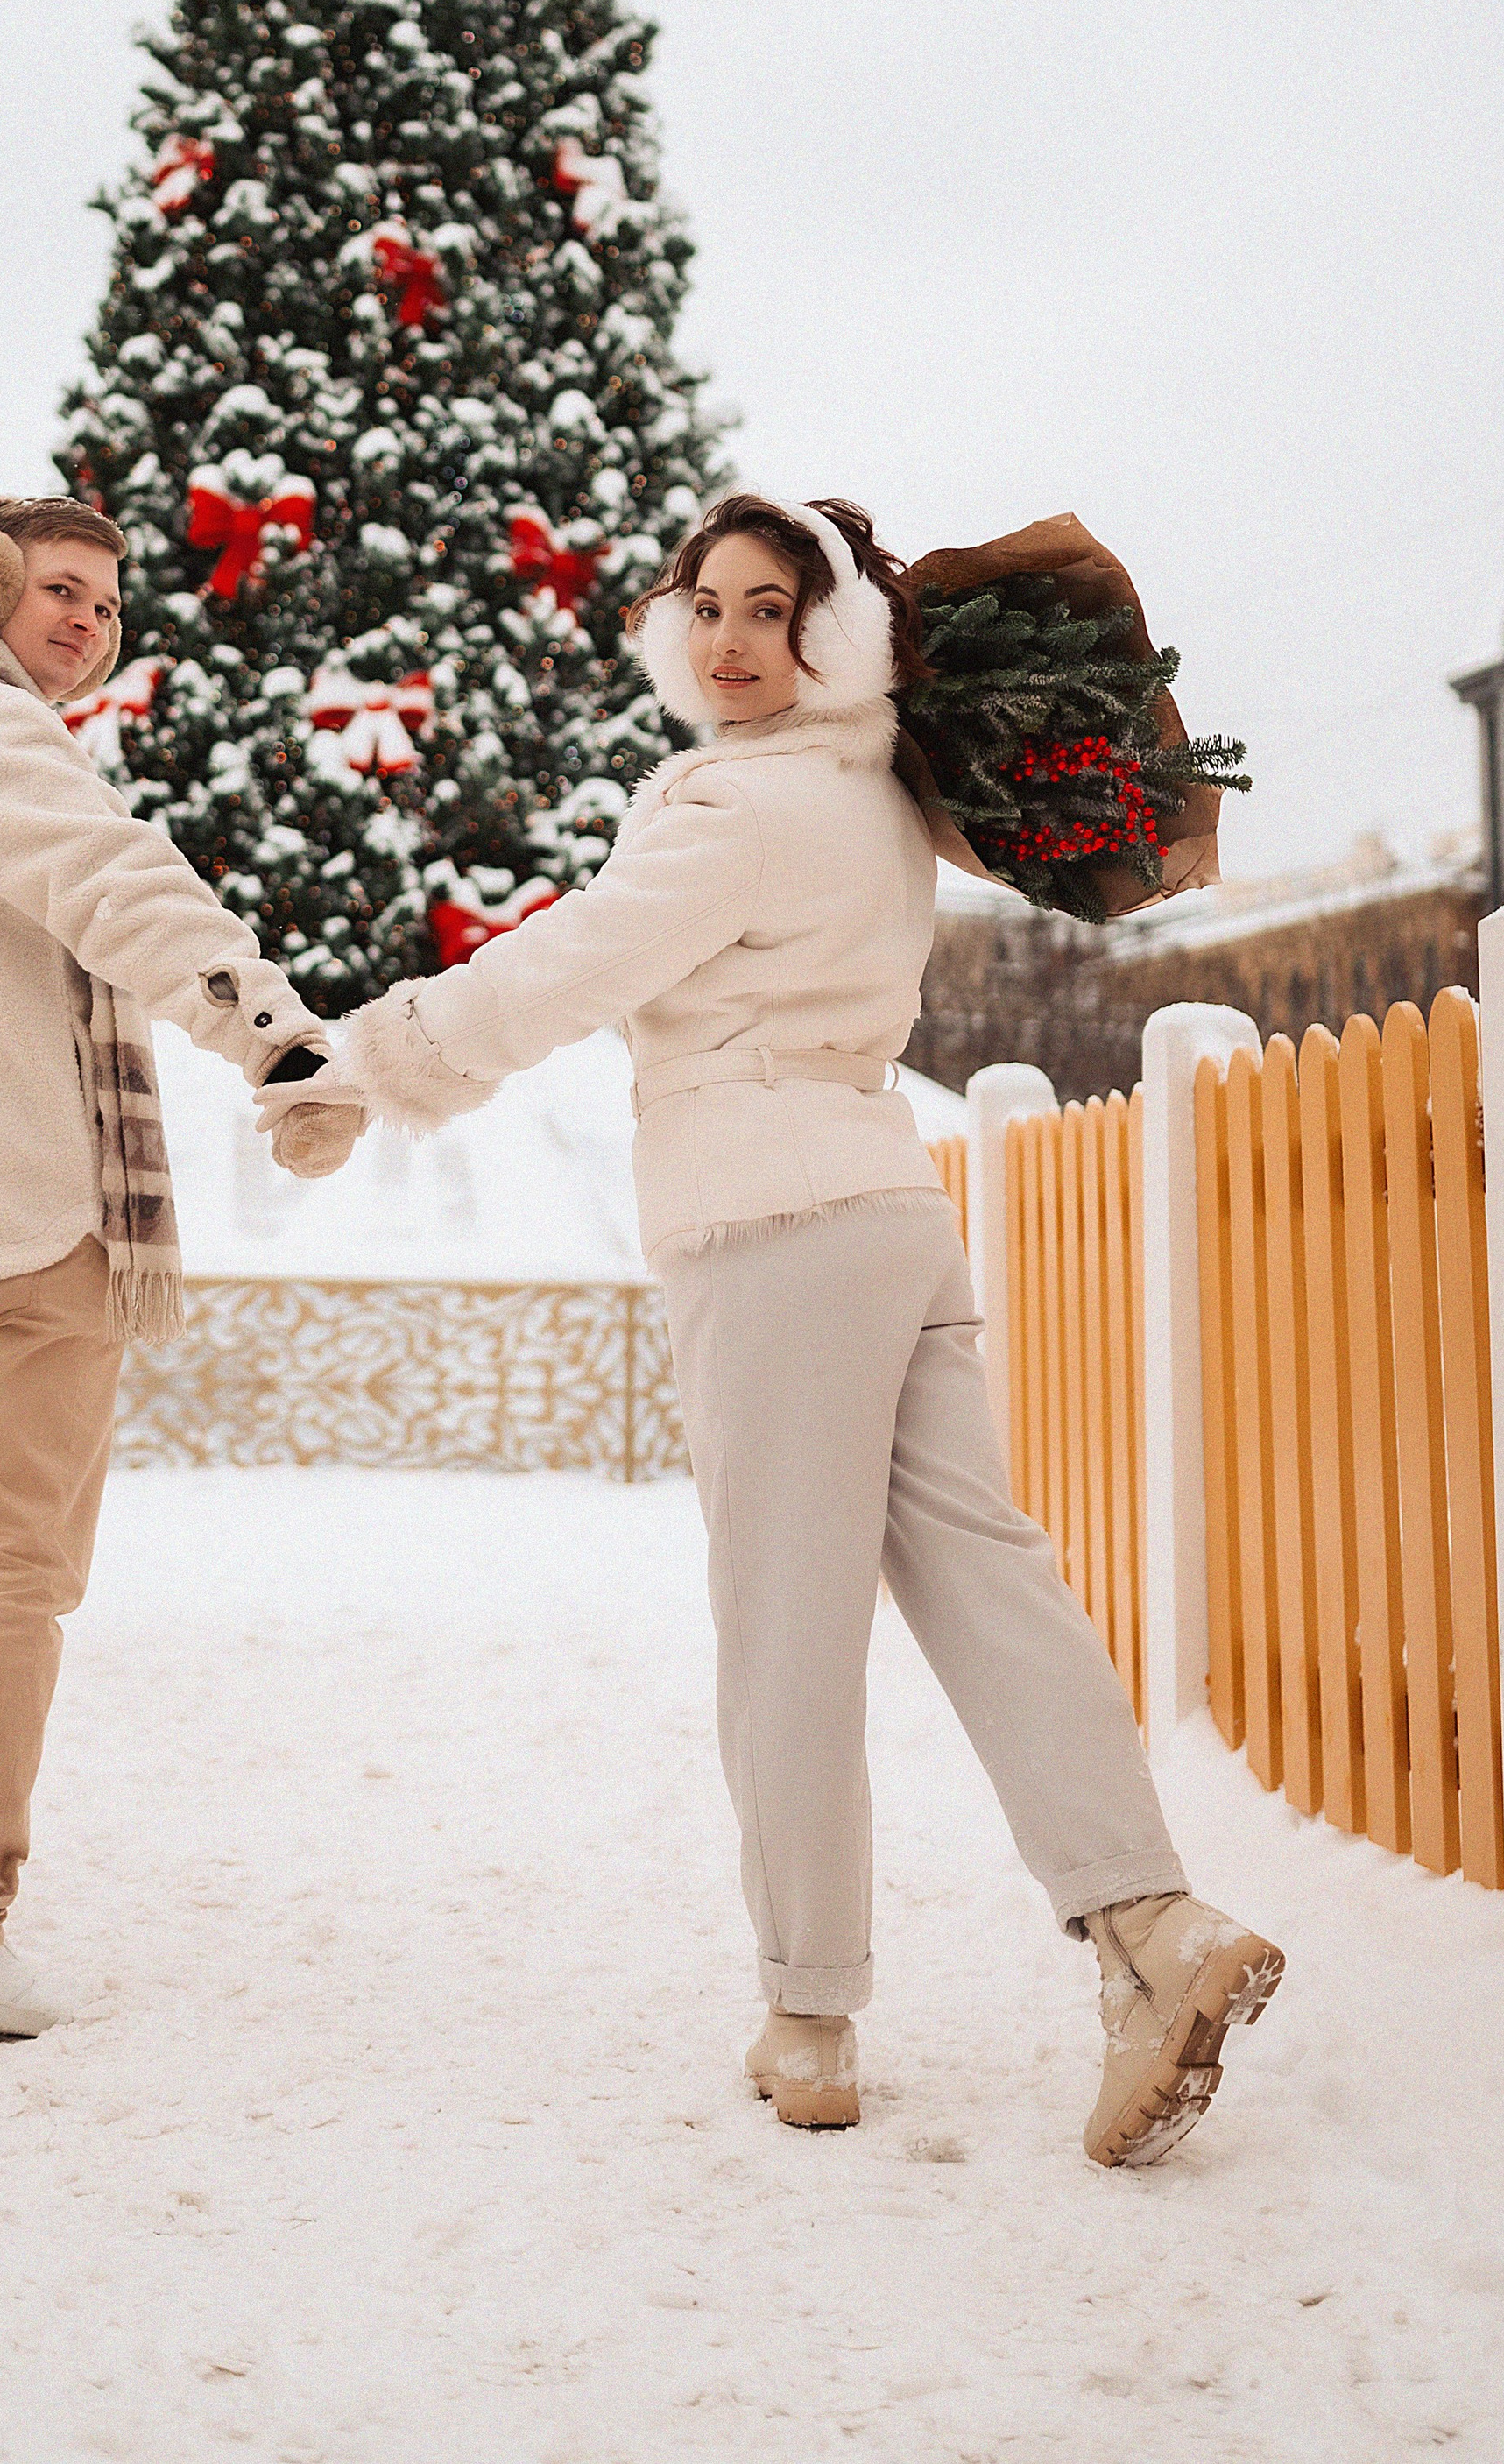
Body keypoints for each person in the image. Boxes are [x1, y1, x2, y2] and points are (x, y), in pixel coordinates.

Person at [325, 492, 1282, 2164]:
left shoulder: (737, 805)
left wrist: (380, 1065)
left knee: (785, 1623)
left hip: (764, 1222)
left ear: (827, 638)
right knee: (992, 1574)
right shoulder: (878, 801)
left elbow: (571, 965)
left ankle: (812, 2013)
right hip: (889, 1208)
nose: (725, 637)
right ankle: (1149, 1923)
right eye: (704, 602)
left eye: (768, 610)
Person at [0, 494, 360, 2038]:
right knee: (10, 1576)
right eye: (59, 592)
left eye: (109, 606)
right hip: (15, 1222)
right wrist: (279, 1038)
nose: (87, 624)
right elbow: (130, 893)